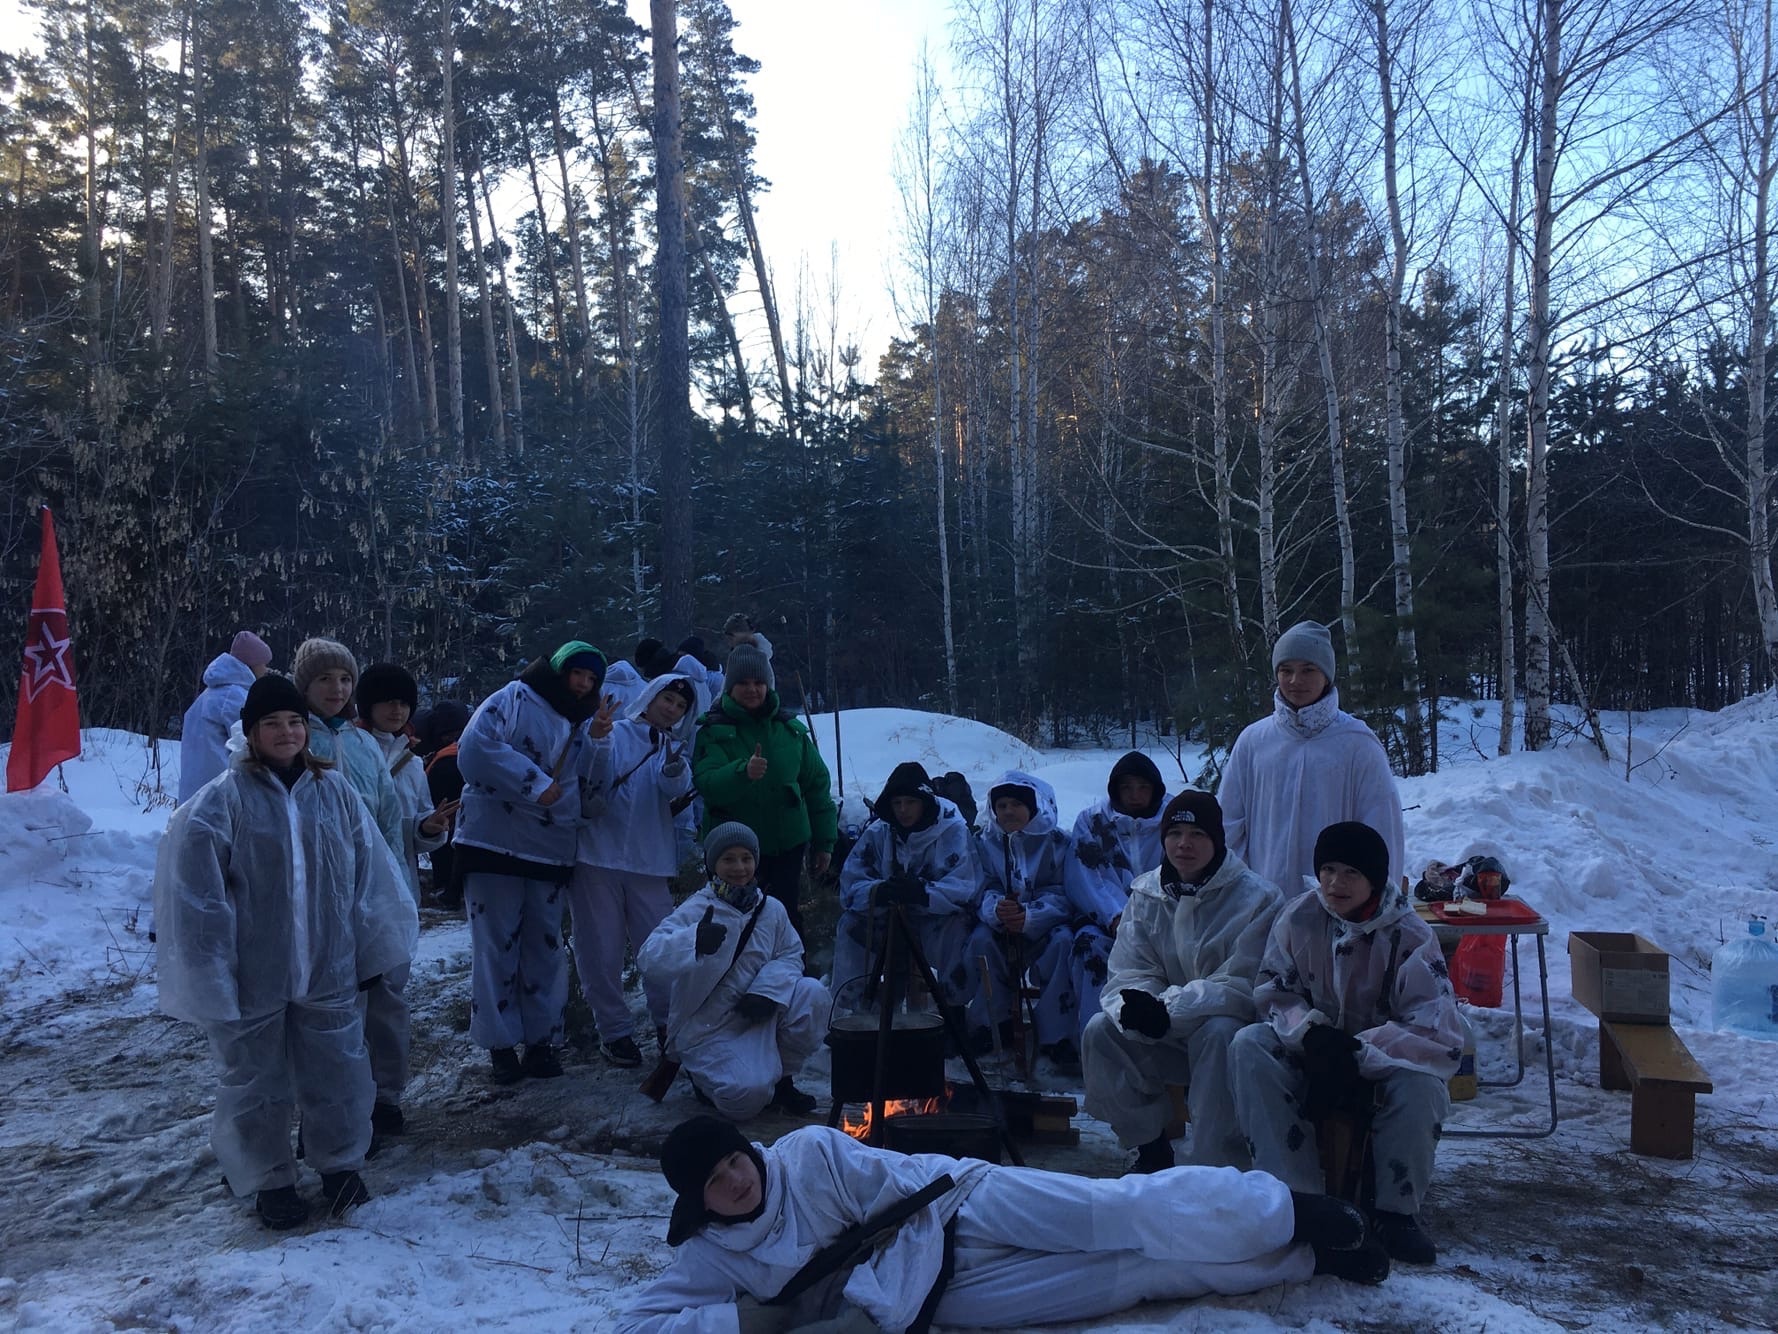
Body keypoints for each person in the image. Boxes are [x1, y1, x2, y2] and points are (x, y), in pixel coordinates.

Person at [612, 1114, 1388, 1333]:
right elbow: (633, 1325)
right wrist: (742, 1320)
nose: (737, 1182)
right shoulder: (715, 1251)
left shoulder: (809, 1156)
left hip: (957, 1204)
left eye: (734, 1162)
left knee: (1119, 1211)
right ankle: (1307, 1259)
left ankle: (1290, 1210)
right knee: (1130, 1278)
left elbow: (906, 1206)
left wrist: (859, 1305)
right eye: (716, 1184)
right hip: (933, 1300)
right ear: (698, 1205)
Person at [152, 674, 417, 1229]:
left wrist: (373, 952)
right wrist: (211, 979)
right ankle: (269, 1179)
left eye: (295, 721)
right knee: (254, 1079)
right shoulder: (216, 807)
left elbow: (369, 879)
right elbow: (198, 905)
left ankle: (340, 1166)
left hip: (329, 968)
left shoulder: (335, 793)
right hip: (254, 973)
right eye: (272, 723)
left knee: (340, 1070)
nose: (287, 732)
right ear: (250, 733)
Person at [1230, 821, 1463, 1268]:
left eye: (1351, 873)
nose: (1336, 883)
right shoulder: (1299, 917)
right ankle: (1295, 1200)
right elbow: (1272, 990)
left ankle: (1395, 1213)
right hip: (1312, 1049)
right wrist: (1311, 1034)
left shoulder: (1410, 936)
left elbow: (1435, 1029)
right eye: (1328, 869)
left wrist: (1358, 1051)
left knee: (1424, 1088)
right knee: (1248, 1045)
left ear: (1374, 879)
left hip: (1387, 1056)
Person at [1081, 791, 1282, 1174]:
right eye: (1174, 833)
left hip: (1223, 1030)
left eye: (1197, 834)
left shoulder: (1257, 898)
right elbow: (1130, 969)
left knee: (1221, 1032)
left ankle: (1217, 1163)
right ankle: (1150, 1146)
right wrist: (1139, 1006)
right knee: (1101, 1032)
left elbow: (1241, 982)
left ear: (1217, 841)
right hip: (1167, 1030)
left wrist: (1168, 1009)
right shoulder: (1146, 893)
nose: (1184, 844)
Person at [455, 641, 615, 1084]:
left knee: (545, 949)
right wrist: (533, 783)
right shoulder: (512, 698)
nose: (583, 683)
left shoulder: (584, 723)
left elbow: (592, 793)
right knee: (495, 946)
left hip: (551, 849)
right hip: (493, 844)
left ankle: (542, 1042)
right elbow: (474, 748)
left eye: (591, 679)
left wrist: (600, 743)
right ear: (559, 670)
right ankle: (500, 1046)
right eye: (578, 674)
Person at [292, 638, 415, 1134]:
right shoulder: (295, 739)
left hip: (372, 891)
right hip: (319, 895)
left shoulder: (363, 744)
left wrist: (393, 886)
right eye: (325, 679)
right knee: (332, 1005)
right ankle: (332, 1107)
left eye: (345, 680)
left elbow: (386, 818)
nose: (337, 689)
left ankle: (385, 1095)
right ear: (304, 683)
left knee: (386, 998)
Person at [639, 823, 831, 1119]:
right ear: (712, 864)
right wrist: (693, 941)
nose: (739, 867)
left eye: (746, 858)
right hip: (709, 1028)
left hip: (761, 1012)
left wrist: (766, 990)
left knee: (813, 993)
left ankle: (782, 1081)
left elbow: (791, 954)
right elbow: (649, 959)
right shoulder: (697, 909)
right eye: (728, 859)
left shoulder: (772, 909)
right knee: (745, 1099)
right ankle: (707, 1081)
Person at [1217, 621, 1404, 898]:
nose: (1295, 680)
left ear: (1327, 676)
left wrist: (1377, 906)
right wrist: (1236, 892)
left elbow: (1381, 832)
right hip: (1262, 905)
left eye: (1308, 670)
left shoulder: (1357, 744)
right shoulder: (1254, 741)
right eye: (1286, 670)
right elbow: (1229, 825)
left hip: (1337, 908)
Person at [569, 673, 699, 1068]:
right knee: (599, 950)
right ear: (650, 696)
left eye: (679, 706)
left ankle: (667, 1025)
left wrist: (676, 768)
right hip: (597, 855)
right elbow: (593, 778)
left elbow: (673, 790)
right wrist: (598, 738)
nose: (671, 708)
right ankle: (615, 1031)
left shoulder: (672, 748)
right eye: (667, 699)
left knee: (659, 948)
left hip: (649, 860)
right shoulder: (618, 730)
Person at [691, 644, 836, 944]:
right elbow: (708, 783)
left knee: (785, 922)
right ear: (730, 687)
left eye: (758, 683)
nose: (752, 689)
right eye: (743, 683)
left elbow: (817, 787)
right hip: (733, 854)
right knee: (733, 925)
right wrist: (742, 773)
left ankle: (791, 982)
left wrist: (825, 842)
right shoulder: (712, 730)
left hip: (786, 848)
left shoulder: (790, 731)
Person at [832, 761, 979, 1020]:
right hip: (887, 915)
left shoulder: (952, 830)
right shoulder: (879, 831)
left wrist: (923, 893)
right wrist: (880, 890)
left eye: (910, 802)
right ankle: (859, 1011)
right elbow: (851, 883)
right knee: (850, 924)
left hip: (936, 918)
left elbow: (966, 887)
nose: (903, 810)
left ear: (924, 801)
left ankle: (953, 1010)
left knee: (959, 927)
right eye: (897, 803)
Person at [966, 771, 1078, 1068]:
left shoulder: (1059, 843)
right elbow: (980, 885)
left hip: (1046, 926)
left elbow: (1067, 891)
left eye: (1016, 804)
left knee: (1065, 944)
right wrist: (997, 910)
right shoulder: (984, 842)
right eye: (1001, 805)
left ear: (1034, 806)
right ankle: (991, 1025)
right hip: (999, 927)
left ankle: (1057, 1037)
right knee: (980, 942)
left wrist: (1031, 915)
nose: (1008, 811)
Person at [1062, 752, 1170, 1050]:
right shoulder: (1094, 821)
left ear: (1155, 789)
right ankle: (1097, 1044)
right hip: (1106, 921)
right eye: (1127, 788)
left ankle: (1161, 1044)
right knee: (1091, 949)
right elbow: (1085, 876)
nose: (1135, 796)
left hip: (1166, 920)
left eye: (1142, 788)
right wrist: (1115, 916)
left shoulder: (1172, 819)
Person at [177, 631, 272, 803]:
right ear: (251, 664)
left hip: (195, 794)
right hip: (220, 795)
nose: (266, 669)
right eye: (263, 663)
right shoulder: (235, 698)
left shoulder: (207, 696)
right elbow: (250, 748)